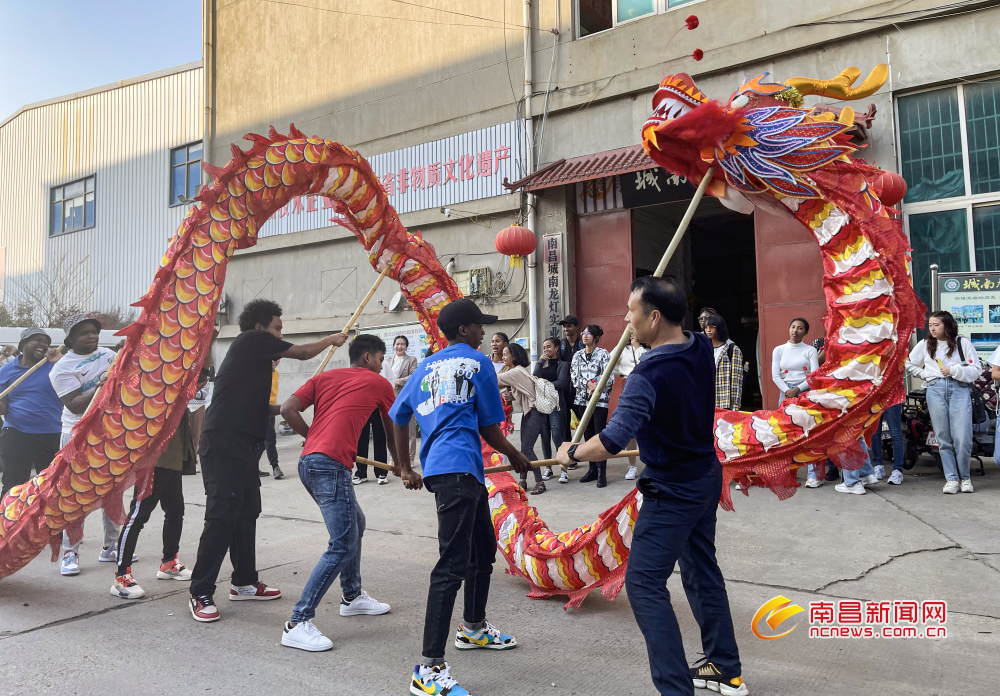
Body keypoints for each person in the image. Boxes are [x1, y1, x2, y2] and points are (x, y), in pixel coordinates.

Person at [557, 276, 747, 696]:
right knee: (701, 572)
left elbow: (611, 440)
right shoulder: (699, 346)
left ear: (655, 317)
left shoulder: (649, 375)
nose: (626, 319)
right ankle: (725, 668)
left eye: (632, 311)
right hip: (703, 477)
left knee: (643, 585)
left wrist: (571, 453)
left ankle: (676, 689)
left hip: (673, 489)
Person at [389, 298, 530, 696]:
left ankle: (473, 628)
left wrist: (405, 466)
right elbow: (489, 425)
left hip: (452, 471)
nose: (486, 334)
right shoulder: (477, 361)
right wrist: (517, 455)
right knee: (451, 566)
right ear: (465, 331)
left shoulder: (425, 367)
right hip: (458, 471)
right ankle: (428, 669)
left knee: (483, 549)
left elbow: (398, 415)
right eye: (480, 327)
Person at [187, 299, 348, 623]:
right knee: (222, 516)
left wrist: (288, 407)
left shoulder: (254, 362)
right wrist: (332, 339)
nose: (279, 335)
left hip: (245, 444)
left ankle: (244, 581)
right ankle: (200, 591)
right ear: (260, 327)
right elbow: (302, 353)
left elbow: (261, 407)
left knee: (247, 512)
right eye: (277, 328)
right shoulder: (251, 340)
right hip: (223, 443)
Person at [278, 334, 421, 652]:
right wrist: (402, 466)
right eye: (382, 359)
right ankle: (297, 622)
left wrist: (312, 435)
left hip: (309, 463)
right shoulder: (379, 382)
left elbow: (288, 409)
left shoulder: (323, 378)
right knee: (342, 543)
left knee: (355, 524)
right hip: (330, 466)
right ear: (369, 357)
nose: (382, 365)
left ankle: (352, 596)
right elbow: (393, 424)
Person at [110, 368, 209, 600]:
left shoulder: (175, 376)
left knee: (175, 511)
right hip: (154, 459)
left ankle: (169, 562)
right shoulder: (152, 381)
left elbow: (201, 376)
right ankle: (121, 577)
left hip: (173, 456)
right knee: (138, 515)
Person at [48, 315, 122, 576]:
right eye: (84, 333)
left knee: (113, 491)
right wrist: (100, 387)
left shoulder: (109, 355)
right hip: (77, 435)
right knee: (75, 493)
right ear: (69, 340)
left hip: (109, 432)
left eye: (94, 332)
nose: (92, 336)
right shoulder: (61, 368)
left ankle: (111, 547)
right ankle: (70, 551)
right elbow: (75, 404)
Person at [905, 311, 981, 494]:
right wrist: (926, 375)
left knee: (962, 437)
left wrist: (953, 370)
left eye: (936, 324)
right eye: (930, 324)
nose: (932, 328)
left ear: (947, 325)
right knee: (942, 437)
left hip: (960, 389)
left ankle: (965, 477)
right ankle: (951, 478)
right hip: (935, 389)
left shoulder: (962, 343)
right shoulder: (925, 344)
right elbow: (909, 363)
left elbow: (976, 369)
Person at [0, 329, 63, 497]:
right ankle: (7, 523)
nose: (43, 345)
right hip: (16, 434)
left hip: (51, 435)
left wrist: (60, 361)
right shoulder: (6, 371)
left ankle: (43, 523)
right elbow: (3, 408)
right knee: (13, 485)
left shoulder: (56, 366)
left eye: (46, 342)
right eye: (37, 340)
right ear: (22, 345)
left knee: (50, 488)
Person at [771, 318, 821, 487]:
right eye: (793, 327)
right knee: (785, 433)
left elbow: (813, 375)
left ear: (805, 332)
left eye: (800, 328)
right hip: (784, 393)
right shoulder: (779, 350)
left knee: (809, 432)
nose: (795, 330)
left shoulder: (810, 350)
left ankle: (813, 475)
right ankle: (787, 473)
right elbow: (775, 375)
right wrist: (787, 391)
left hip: (805, 392)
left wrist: (797, 389)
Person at [567, 324, 614, 487]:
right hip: (582, 400)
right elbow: (574, 376)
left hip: (600, 401)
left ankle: (602, 472)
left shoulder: (603, 354)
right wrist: (588, 384)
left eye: (588, 333)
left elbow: (609, 377)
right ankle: (592, 469)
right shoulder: (577, 355)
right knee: (587, 435)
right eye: (583, 332)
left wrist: (595, 385)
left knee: (600, 435)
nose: (585, 335)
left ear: (596, 337)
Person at [498, 343, 547, 494]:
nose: (503, 357)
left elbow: (494, 379)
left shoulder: (515, 372)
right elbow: (524, 392)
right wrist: (511, 396)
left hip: (534, 412)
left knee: (527, 449)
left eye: (505, 354)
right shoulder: (517, 371)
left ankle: (540, 482)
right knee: (524, 448)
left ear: (514, 356)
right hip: (530, 412)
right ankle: (523, 480)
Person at [532, 336, 569, 481]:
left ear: (557, 348)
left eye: (549, 346)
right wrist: (540, 361)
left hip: (556, 404)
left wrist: (543, 385)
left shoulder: (563, 364)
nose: (546, 349)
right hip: (542, 405)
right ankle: (548, 468)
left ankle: (563, 469)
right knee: (545, 437)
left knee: (557, 435)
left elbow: (561, 383)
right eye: (544, 347)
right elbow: (534, 378)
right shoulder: (542, 365)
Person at [614, 334, 647, 481]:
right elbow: (610, 359)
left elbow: (647, 362)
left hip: (646, 385)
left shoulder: (647, 348)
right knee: (630, 428)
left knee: (647, 428)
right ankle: (632, 465)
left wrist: (638, 347)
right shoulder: (624, 349)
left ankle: (649, 464)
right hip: (627, 383)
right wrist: (619, 372)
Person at [382, 335, 419, 465]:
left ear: (406, 346)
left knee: (409, 429)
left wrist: (399, 381)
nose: (399, 346)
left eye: (402, 344)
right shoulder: (387, 360)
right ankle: (394, 457)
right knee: (392, 428)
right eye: (397, 344)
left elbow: (414, 375)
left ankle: (410, 458)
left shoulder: (412, 359)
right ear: (393, 346)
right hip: (390, 395)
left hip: (405, 394)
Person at [704, 315, 745, 412]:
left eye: (712, 327)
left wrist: (735, 407)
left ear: (719, 327)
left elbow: (736, 380)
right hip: (706, 402)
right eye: (706, 327)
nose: (708, 330)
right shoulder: (704, 349)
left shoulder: (732, 350)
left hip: (724, 402)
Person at [257, 361, 282, 479]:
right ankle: (275, 467)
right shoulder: (261, 373)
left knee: (261, 442)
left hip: (271, 409)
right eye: (271, 359)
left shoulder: (276, 373)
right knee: (270, 438)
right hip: (262, 409)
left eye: (276, 359)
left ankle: (251, 466)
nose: (274, 362)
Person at [354, 409, 388, 484]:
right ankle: (361, 472)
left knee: (380, 436)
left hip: (378, 403)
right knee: (361, 437)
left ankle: (381, 471)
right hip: (361, 404)